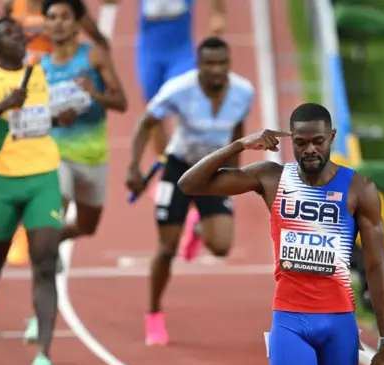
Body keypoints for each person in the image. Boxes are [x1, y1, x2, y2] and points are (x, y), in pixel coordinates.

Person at [177, 103, 384, 365]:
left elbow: (377, 268)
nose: (309, 150)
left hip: (339, 324)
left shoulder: (359, 189)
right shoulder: (271, 178)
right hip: (290, 323)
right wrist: (240, 145)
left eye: (317, 141)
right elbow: (189, 184)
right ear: (291, 139)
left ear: (331, 137)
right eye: (301, 142)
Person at [0, 17, 76, 365]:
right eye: (9, 34)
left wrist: (60, 118)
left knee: (45, 262)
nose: (19, 37)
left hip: (43, 178)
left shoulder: (38, 74)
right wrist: (2, 106)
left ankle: (43, 356)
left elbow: (38, 121)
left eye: (18, 32)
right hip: (5, 184)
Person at [125, 36, 254, 346]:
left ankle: (198, 226)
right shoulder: (179, 89)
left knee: (221, 246)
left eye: (222, 63)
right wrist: (133, 167)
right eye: (209, 63)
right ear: (198, 65)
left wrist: (235, 170)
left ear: (229, 64)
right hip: (179, 170)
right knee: (166, 249)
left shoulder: (243, 91)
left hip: (214, 172)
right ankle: (154, 314)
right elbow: (146, 122)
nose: (216, 69)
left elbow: (238, 128)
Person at [21, 0, 128, 343]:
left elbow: (121, 102)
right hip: (55, 155)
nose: (58, 23)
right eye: (50, 17)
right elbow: (27, 117)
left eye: (65, 16)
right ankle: (39, 316)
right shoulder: (38, 65)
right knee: (51, 221)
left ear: (76, 22)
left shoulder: (93, 56)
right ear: (45, 26)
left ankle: (56, 240)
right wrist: (54, 118)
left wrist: (94, 95)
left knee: (87, 226)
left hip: (92, 157)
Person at [111, 0, 227, 262]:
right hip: (150, 54)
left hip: (181, 53)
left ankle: (196, 178)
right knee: (155, 113)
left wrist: (219, 14)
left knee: (187, 108)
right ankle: (168, 169)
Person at [1, 0, 111, 267]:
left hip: (65, 76)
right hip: (35, 83)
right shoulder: (14, 6)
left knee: (88, 225)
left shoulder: (66, 6)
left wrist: (99, 70)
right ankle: (38, 240)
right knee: (51, 191)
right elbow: (4, 39)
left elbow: (96, 36)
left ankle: (51, 237)